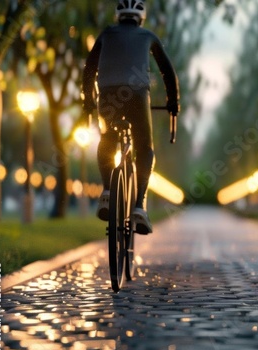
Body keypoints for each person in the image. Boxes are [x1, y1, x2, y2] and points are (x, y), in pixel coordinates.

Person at [82, 0, 180, 235]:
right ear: (141, 17)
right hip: (137, 95)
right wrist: (173, 103)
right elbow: (168, 72)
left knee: (107, 139)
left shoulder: (105, 35)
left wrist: (88, 100)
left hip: (107, 94)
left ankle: (107, 192)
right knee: (144, 147)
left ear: (118, 16)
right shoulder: (149, 36)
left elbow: (89, 69)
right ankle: (139, 207)